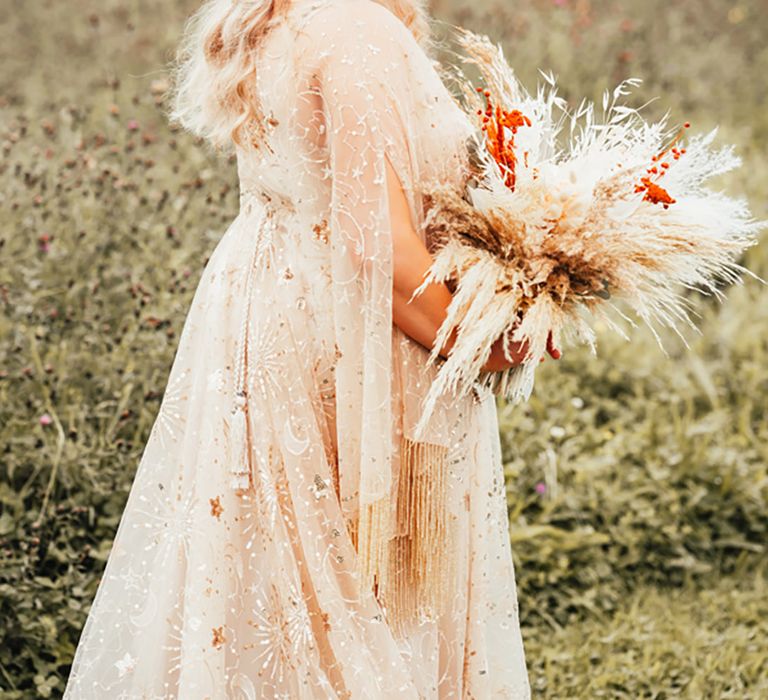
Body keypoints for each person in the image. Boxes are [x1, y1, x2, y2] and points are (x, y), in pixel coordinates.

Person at [63, 0, 559, 696]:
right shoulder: (354, 27)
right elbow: (375, 248)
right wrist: (485, 342)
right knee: (355, 608)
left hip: (267, 316)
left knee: (283, 589)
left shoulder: (282, 16)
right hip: (343, 344)